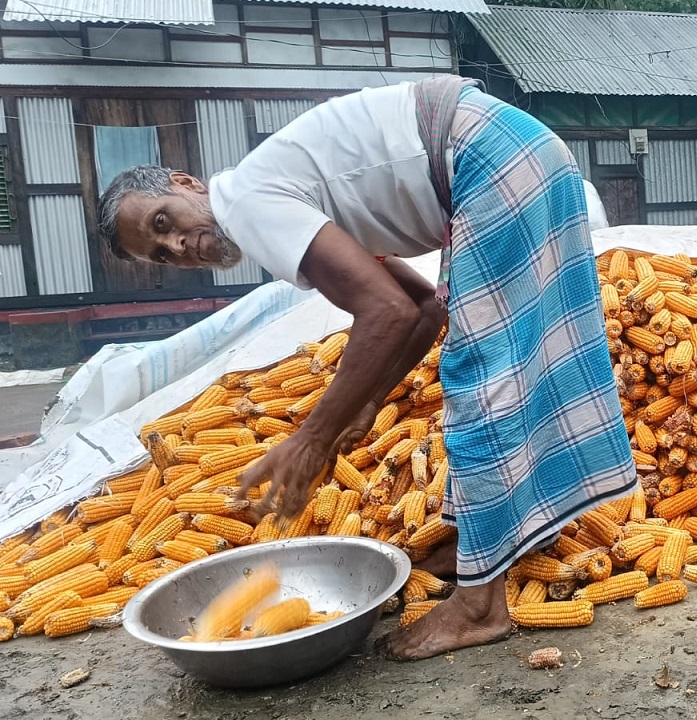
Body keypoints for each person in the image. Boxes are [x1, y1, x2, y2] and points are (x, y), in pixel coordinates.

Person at [97, 76, 637, 659]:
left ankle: (480, 607)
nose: (177, 245)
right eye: (161, 253)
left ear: (185, 184)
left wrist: (312, 439)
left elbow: (383, 312)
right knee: (519, 365)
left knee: (481, 378)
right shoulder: (277, 195)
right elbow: (420, 308)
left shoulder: (248, 202)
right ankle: (491, 541)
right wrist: (369, 401)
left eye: (162, 222)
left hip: (489, 154)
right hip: (514, 148)